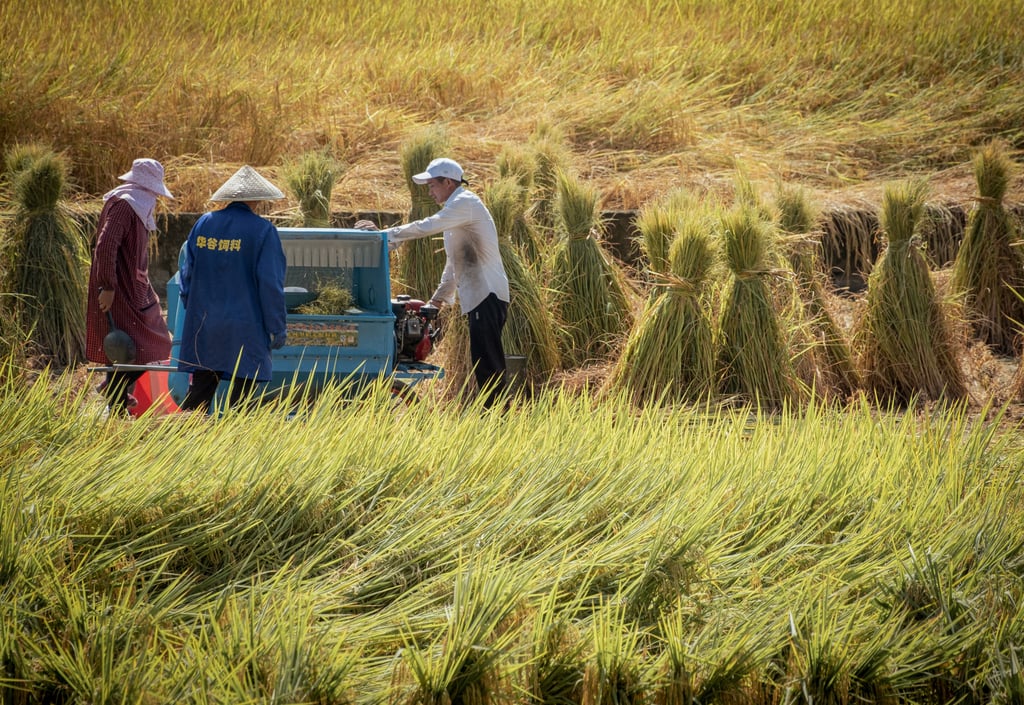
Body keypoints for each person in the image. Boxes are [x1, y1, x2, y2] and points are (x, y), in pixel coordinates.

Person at [384, 158, 510, 408]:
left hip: (487, 294)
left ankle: (497, 419)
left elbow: (427, 226)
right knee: (483, 361)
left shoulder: (465, 203)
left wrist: (387, 235)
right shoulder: (456, 213)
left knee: (488, 362)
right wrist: (438, 300)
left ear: (448, 182)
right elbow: (455, 263)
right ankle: (494, 415)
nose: (430, 191)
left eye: (432, 185)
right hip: (480, 296)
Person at [176, 165, 288, 412]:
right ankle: (235, 441)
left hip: (205, 323)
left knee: (202, 387)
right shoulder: (262, 231)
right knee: (244, 392)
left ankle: (181, 440)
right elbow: (270, 285)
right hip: (245, 325)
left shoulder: (204, 223)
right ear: (258, 198)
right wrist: (277, 326)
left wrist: (193, 308)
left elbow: (187, 274)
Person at [86, 158, 174, 416]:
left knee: (145, 344)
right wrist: (108, 286)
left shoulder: (132, 203)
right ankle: (116, 404)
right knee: (134, 346)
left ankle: (115, 392)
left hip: (134, 286)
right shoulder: (125, 205)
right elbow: (105, 245)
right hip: (121, 289)